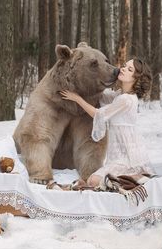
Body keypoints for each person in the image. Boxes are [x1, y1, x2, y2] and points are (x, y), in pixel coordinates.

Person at [60, 58, 154, 188]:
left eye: (129, 69)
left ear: (136, 78)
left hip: (127, 157)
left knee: (93, 181)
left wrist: (76, 98)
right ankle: (130, 178)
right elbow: (102, 96)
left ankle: (136, 177)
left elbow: (98, 114)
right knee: (93, 180)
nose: (123, 69)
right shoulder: (120, 95)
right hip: (118, 155)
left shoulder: (126, 100)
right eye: (125, 66)